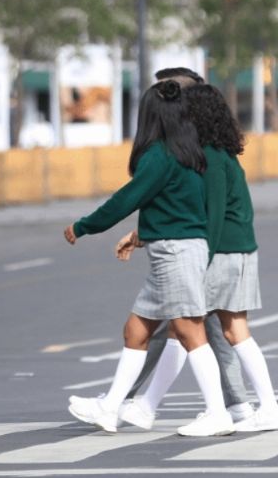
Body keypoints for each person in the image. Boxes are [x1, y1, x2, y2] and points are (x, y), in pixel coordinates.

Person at [64, 80, 235, 436]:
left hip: (176, 253)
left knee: (189, 331)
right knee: (136, 331)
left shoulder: (160, 156)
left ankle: (217, 412)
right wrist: (142, 238)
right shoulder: (187, 153)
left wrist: (84, 226)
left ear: (150, 117)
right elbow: (173, 208)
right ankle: (111, 408)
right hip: (168, 253)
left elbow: (128, 199)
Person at [117, 84, 278, 432]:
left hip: (220, 252)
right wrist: (140, 237)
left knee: (187, 330)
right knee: (228, 330)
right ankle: (266, 408)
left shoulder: (208, 158)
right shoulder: (222, 154)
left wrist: (199, 260)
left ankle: (154, 407)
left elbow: (209, 215)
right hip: (235, 249)